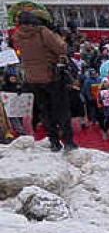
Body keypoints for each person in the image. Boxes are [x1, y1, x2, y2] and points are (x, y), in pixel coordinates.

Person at [12, 12, 74, 151]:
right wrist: (57, 36)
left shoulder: (17, 35)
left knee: (45, 111)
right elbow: (62, 48)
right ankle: (69, 142)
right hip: (50, 76)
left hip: (32, 78)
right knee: (61, 109)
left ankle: (54, 142)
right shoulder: (42, 32)